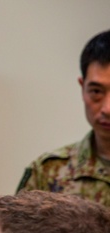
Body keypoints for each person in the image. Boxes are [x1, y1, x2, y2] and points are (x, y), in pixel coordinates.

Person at [16, 30, 110, 206]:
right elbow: (15, 232)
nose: (107, 108)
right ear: (82, 88)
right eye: (96, 91)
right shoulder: (48, 172)